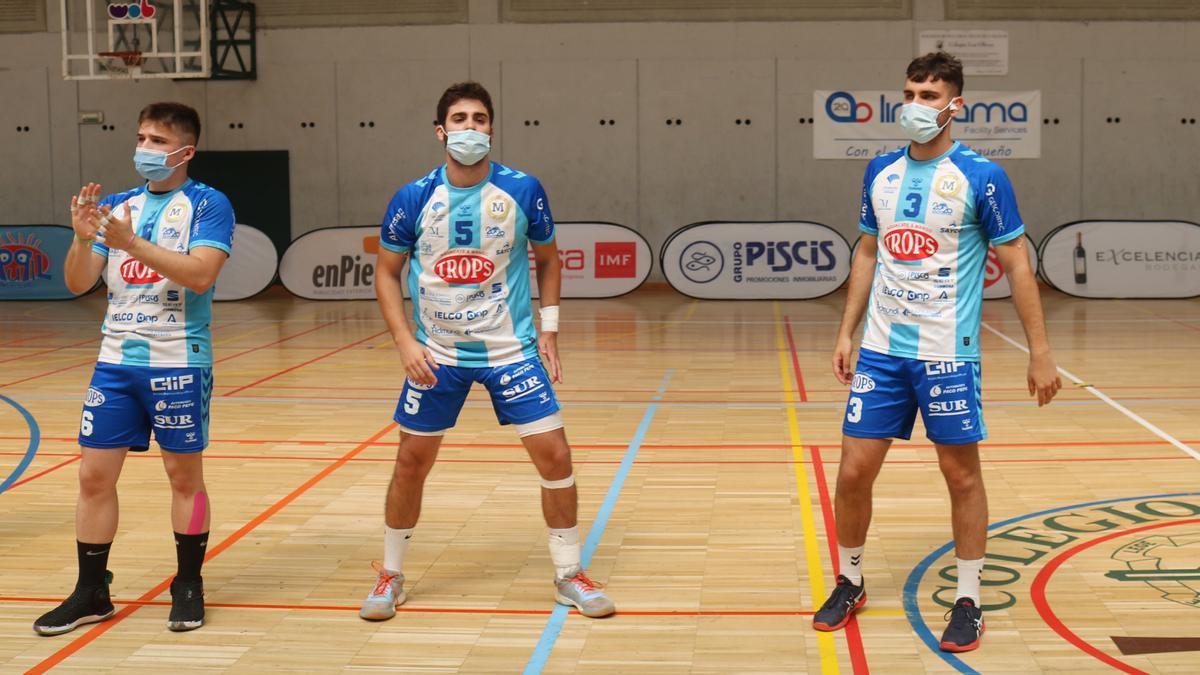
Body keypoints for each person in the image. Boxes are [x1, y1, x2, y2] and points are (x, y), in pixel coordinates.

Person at [812, 53, 1061, 652]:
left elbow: (1017, 264)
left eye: (929, 96)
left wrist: (1041, 352)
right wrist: (846, 331)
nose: (916, 106)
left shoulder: (982, 177)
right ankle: (850, 580)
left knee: (960, 476)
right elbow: (868, 252)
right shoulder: (880, 170)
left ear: (956, 105)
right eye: (910, 93)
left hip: (949, 353)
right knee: (852, 472)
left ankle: (969, 599)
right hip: (880, 352)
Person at [362, 81, 614, 621]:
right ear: (441, 131)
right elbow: (386, 272)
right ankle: (390, 575)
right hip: (438, 353)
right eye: (460, 119)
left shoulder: (524, 189)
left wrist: (549, 330)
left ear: (491, 129)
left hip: (511, 350)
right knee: (411, 462)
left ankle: (570, 574)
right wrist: (405, 341)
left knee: (557, 456)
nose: (470, 128)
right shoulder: (413, 197)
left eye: (479, 119)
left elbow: (548, 259)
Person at [34, 102, 234, 636]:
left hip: (179, 361)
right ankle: (91, 591)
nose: (143, 148)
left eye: (156, 140)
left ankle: (188, 584)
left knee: (183, 477)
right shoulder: (118, 206)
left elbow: (200, 276)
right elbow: (78, 283)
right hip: (115, 361)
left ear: (184, 152)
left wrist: (132, 243)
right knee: (93, 476)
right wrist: (81, 237)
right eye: (140, 137)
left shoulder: (210, 205)